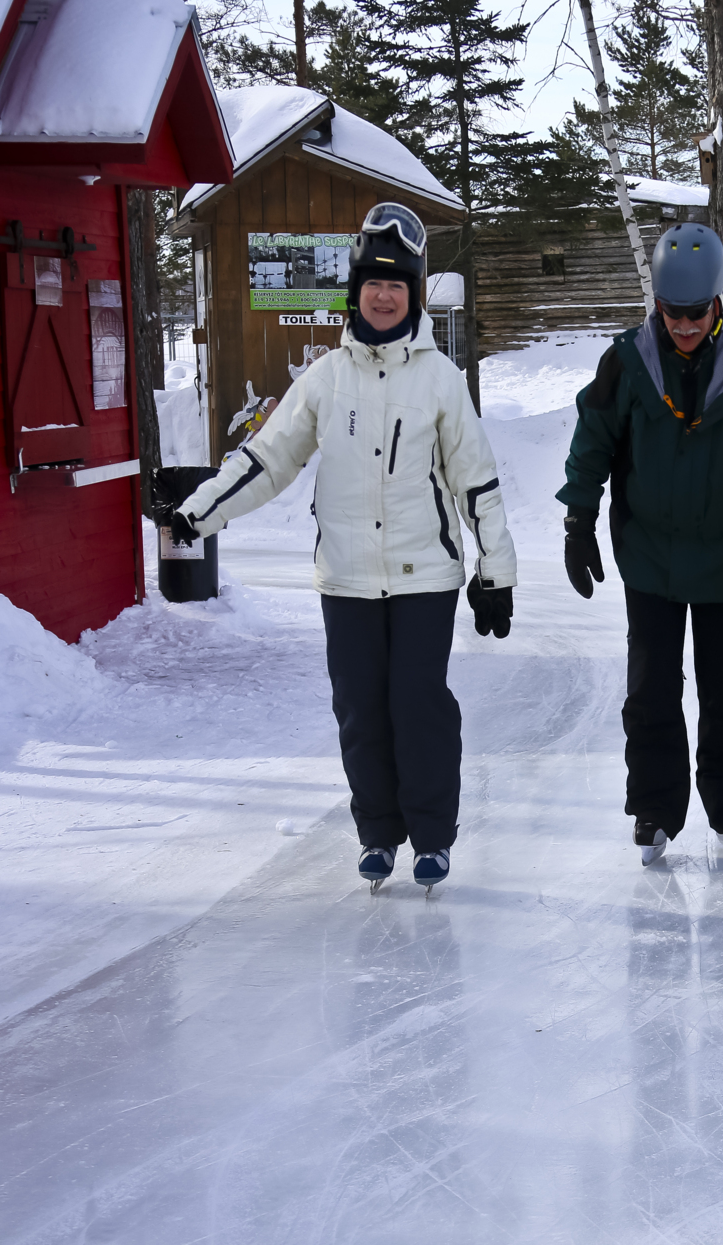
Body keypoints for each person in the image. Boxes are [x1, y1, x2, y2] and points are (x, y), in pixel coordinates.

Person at [170, 202, 517, 891]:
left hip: (425, 577)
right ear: (355, 291)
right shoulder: (326, 379)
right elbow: (268, 459)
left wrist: (495, 572)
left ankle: (432, 837)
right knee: (360, 711)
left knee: (417, 707)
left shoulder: (440, 380)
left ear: (413, 294)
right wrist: (198, 513)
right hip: (348, 579)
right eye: (372, 282)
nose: (384, 295)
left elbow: (476, 483)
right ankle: (380, 835)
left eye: (397, 284)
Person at [559, 222, 723, 865]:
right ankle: (655, 808)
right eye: (674, 312)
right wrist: (578, 521)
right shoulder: (627, 362)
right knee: (651, 692)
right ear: (656, 304)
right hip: (651, 561)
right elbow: (592, 444)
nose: (686, 324)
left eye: (698, 312)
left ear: (718, 302)